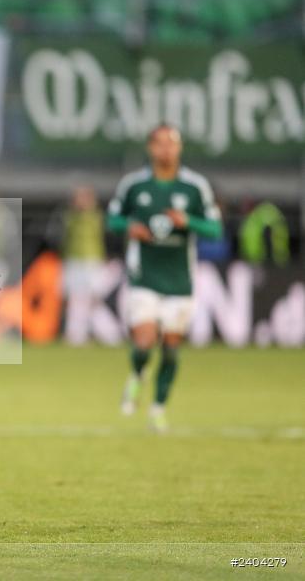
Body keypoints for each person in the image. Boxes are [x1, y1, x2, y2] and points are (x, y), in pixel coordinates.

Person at [107, 124, 222, 433]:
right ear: (150, 147)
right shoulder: (134, 185)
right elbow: (112, 218)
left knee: (171, 347)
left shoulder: (195, 187)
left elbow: (215, 228)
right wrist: (129, 226)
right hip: (144, 276)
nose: (166, 149)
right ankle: (137, 374)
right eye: (160, 143)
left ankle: (158, 408)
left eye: (172, 143)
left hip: (180, 280)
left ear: (180, 148)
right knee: (144, 342)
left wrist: (190, 221)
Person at [60, 185, 107, 345]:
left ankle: (109, 335)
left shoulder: (96, 216)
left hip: (92, 262)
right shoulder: (70, 217)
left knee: (93, 302)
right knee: (75, 301)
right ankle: (75, 335)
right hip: (74, 261)